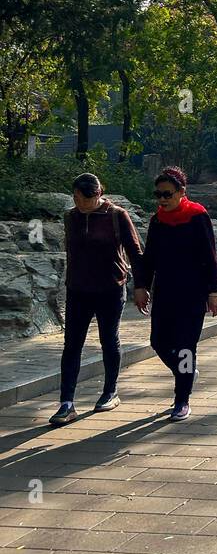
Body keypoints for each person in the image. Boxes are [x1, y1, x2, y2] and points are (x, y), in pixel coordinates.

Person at [49, 173, 145, 427]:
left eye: (82, 198)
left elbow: (135, 252)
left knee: (108, 339)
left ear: (97, 195)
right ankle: (66, 403)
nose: (77, 202)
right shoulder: (71, 217)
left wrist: (141, 287)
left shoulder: (116, 216)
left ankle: (110, 391)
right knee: (72, 345)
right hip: (78, 289)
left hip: (110, 289)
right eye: (75, 197)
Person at [134, 166, 217, 421]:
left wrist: (214, 291)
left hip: (193, 293)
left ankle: (181, 399)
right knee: (158, 341)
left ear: (182, 192)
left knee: (186, 347)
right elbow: (148, 257)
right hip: (164, 291)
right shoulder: (157, 220)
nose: (162, 199)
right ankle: (186, 372)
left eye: (167, 194)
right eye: (158, 194)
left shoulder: (197, 216)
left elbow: (210, 255)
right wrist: (141, 286)